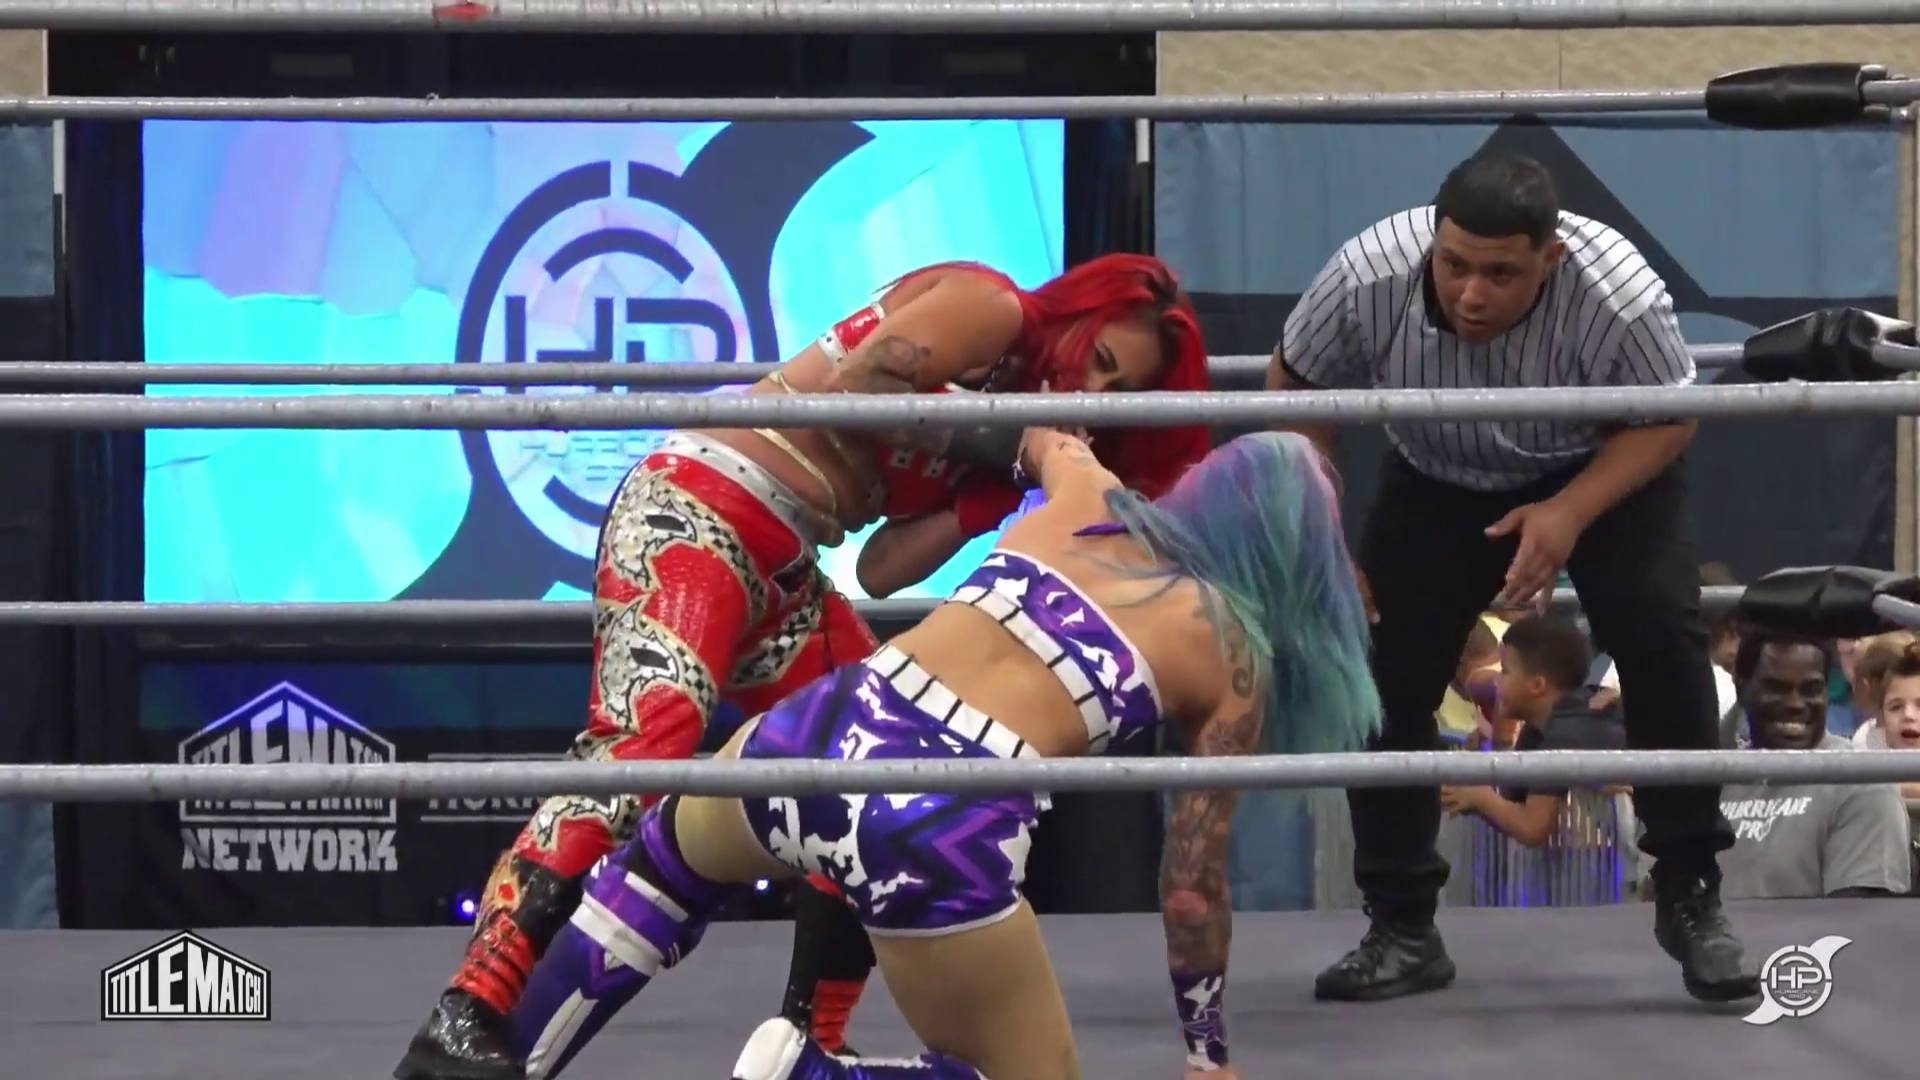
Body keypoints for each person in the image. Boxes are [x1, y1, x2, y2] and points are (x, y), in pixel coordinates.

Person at [396, 255, 1218, 1080]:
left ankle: (814, 1035)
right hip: (702, 504)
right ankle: (469, 1008)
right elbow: (860, 383)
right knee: (644, 746)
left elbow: (883, 570)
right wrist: (1007, 432)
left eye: (1116, 393)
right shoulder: (994, 307)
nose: (1091, 391)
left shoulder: (1009, 455)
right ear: (1078, 315)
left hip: (787, 572)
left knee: (883, 761)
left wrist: (986, 495)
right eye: (1099, 361)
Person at [501, 428, 1380, 1080]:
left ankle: (503, 1063)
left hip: (825, 724)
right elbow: (1192, 889)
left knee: (653, 875)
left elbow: (1042, 438)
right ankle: (817, 1078)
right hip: (939, 807)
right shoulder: (1231, 655)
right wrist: (1206, 1052)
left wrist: (999, 452)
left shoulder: (1089, 497)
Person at [1267, 151, 1758, 1004]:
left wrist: (1569, 511)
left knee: (1662, 633)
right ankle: (1401, 923)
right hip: (1437, 473)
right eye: (1454, 264)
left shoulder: (1618, 292)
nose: (1470, 294)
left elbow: (1675, 415)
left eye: (1500, 274)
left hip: (1594, 466)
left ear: (1550, 258)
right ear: (1432, 240)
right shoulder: (1367, 274)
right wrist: (1322, 537)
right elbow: (1295, 389)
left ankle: (1689, 893)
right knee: (1379, 671)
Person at [1716, 631, 1910, 899]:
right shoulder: (1709, 775)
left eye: (1811, 690)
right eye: (1776, 688)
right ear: (1741, 687)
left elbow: (1861, 918)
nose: (1795, 704)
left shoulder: (1863, 785)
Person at [1440, 614, 1624, 848]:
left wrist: (1481, 797)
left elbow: (1532, 829)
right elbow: (1513, 804)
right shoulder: (1537, 731)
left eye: (1505, 672)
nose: (1496, 683)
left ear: (1537, 685)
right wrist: (1473, 799)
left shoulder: (1565, 733)